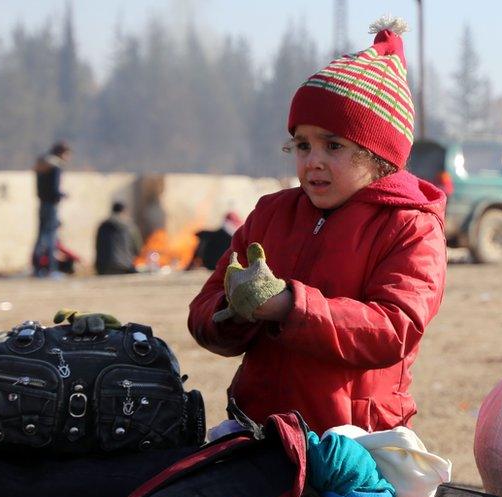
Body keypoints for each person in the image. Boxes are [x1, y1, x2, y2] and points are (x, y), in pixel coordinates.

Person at [188, 17, 447, 434]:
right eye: (302, 145)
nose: (313, 161)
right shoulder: (271, 214)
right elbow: (203, 313)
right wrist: (232, 312)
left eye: (333, 145)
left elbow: (395, 328)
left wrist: (290, 305)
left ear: (379, 155)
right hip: (260, 429)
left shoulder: (410, 226)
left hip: (356, 440)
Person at [31, 141, 71, 278]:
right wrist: (62, 195)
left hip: (42, 203)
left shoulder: (42, 165)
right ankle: (50, 269)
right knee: (50, 238)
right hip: (51, 205)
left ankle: (37, 268)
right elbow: (54, 189)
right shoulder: (55, 167)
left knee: (41, 236)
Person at [95, 202, 142, 275]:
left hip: (103, 267)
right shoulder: (130, 226)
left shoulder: (102, 226)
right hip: (124, 267)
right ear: (124, 211)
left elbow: (97, 246)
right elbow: (138, 248)